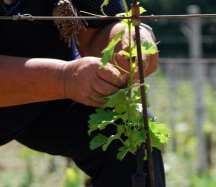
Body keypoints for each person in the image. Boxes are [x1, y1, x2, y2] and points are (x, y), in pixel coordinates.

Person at [0, 0, 165, 186]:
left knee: (132, 133)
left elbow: (100, 28)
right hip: (56, 82)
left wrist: (127, 41)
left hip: (51, 99)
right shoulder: (65, 79)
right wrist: (63, 79)